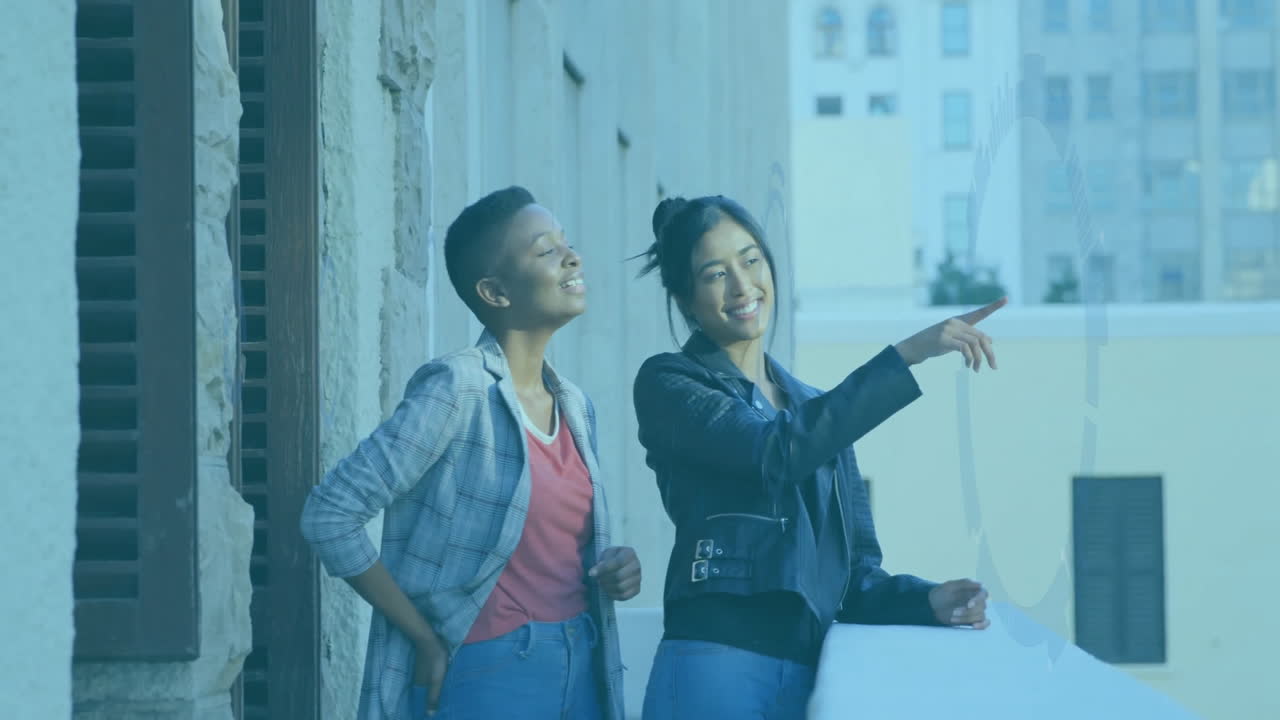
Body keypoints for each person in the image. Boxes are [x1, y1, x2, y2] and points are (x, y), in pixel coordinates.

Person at [633, 195, 1000, 719]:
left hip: (806, 674)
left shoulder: (812, 407)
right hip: (715, 664)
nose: (742, 286)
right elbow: (772, 451)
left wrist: (928, 601)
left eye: (751, 260)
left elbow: (854, 577)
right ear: (686, 299)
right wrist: (907, 355)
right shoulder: (670, 382)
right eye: (715, 274)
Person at [301, 186, 641, 720]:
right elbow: (329, 515)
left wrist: (616, 565)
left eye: (566, 243)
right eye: (545, 250)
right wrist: (423, 638)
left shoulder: (576, 405)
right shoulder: (456, 387)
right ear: (496, 292)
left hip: (584, 660)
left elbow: (540, 547)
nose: (571, 257)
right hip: (492, 670)